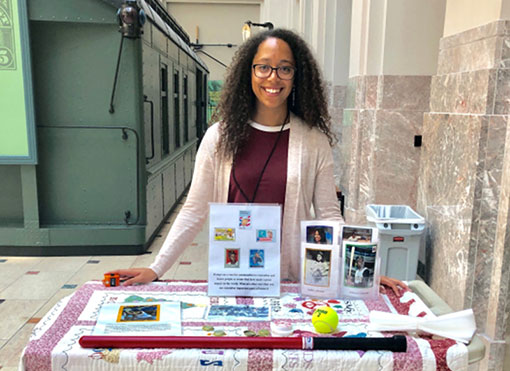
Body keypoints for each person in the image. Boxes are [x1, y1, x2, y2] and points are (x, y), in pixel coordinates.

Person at [109, 28, 408, 297]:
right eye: (263, 67)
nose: (273, 77)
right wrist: (156, 268)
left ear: (297, 76)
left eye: (285, 69)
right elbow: (194, 210)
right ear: (248, 72)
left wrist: (358, 268)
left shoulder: (313, 141)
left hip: (288, 283)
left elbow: (329, 215)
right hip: (233, 277)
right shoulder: (219, 137)